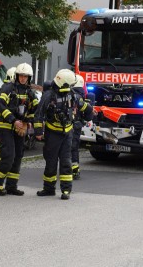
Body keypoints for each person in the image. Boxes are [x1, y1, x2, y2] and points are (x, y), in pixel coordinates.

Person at [34, 69, 92, 200]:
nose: (71, 87)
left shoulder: (73, 95)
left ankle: (66, 190)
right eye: (70, 85)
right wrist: (38, 132)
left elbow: (85, 107)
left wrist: (88, 116)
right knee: (51, 162)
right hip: (52, 133)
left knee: (66, 161)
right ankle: (48, 189)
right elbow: (39, 113)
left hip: (67, 133)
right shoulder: (49, 96)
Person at [0, 63, 38, 196]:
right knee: (8, 156)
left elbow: (35, 108)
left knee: (18, 156)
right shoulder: (8, 88)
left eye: (26, 76)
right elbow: (0, 105)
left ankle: (12, 186)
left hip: (20, 127)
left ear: (29, 78)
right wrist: (13, 120)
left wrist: (27, 122)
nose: (23, 78)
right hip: (6, 126)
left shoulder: (29, 92)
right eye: (21, 76)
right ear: (17, 76)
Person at [70, 74, 93, 180]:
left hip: (66, 125)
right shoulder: (81, 97)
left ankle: (69, 168)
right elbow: (88, 114)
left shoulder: (68, 94)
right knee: (74, 147)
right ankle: (75, 169)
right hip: (77, 125)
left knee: (66, 147)